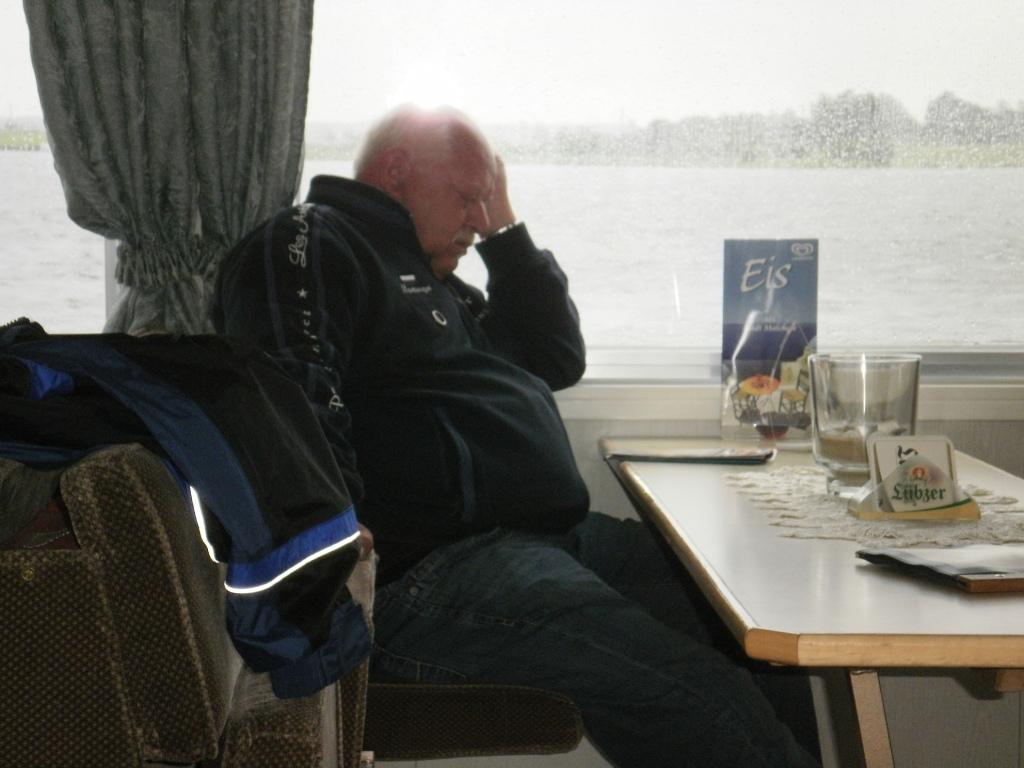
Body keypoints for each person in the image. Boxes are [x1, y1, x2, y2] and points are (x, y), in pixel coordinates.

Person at [213, 105, 820, 767]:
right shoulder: (311, 241)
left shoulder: (439, 288)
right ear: (396, 172)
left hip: (544, 542)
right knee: (698, 695)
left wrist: (505, 229)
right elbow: (289, 385)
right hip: (432, 571)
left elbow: (554, 356)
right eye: (467, 198)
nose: (479, 220)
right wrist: (329, 528)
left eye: (487, 203)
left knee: (750, 618)